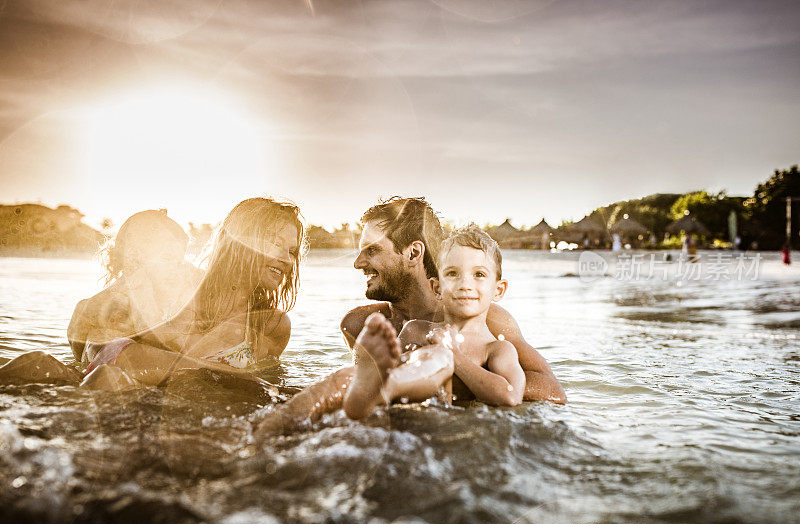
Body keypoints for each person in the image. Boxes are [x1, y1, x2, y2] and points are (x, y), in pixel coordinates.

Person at [255, 197, 564, 436]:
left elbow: (552, 391)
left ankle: (262, 435)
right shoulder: (359, 324)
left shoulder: (488, 320)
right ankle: (266, 434)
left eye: (372, 250)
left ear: (414, 254)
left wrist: (453, 368)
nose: (358, 263)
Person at [0, 197, 304, 390]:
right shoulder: (187, 285)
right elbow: (101, 334)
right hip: (117, 373)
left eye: (292, 251)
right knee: (45, 364)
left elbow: (265, 388)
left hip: (170, 403)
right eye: (275, 243)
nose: (287, 259)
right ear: (240, 241)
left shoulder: (272, 326)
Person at [343, 225, 525, 419]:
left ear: (498, 290)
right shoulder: (415, 330)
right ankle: (375, 386)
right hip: (412, 422)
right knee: (430, 357)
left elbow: (510, 396)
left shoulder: (496, 349)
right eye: (452, 274)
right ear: (436, 287)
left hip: (453, 429)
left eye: (479, 274)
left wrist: (455, 355)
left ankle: (383, 388)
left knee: (442, 357)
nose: (465, 284)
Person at [67, 209, 204, 362]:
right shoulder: (109, 304)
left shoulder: (170, 294)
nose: (178, 267)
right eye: (168, 258)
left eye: (180, 260)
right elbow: (158, 339)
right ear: (136, 257)